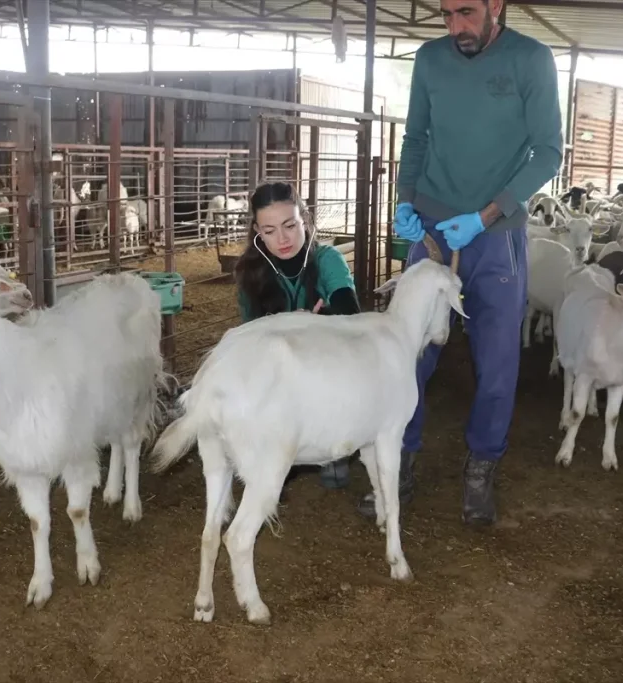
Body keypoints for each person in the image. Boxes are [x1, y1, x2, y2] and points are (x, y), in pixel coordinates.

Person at [356, 0, 563, 525]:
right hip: (430, 230)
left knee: (496, 359)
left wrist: (487, 215)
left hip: (495, 236)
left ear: (496, 5)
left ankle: (483, 463)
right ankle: (398, 456)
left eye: (467, 13)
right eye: (446, 15)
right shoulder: (431, 60)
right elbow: (416, 137)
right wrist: (404, 201)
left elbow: (548, 151)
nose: (456, 27)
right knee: (410, 350)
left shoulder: (531, 60)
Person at [234, 181, 361, 489]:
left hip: (325, 364)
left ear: (305, 219)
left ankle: (334, 448)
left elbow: (350, 311)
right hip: (279, 369)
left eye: (290, 225)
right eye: (269, 230)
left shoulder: (327, 259)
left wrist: (319, 322)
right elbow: (249, 332)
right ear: (257, 231)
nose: (282, 238)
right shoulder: (249, 272)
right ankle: (278, 445)